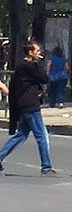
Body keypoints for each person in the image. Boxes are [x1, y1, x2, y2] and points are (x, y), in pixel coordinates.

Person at [0, 40, 56, 176]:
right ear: (30, 53)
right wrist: (38, 65)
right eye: (37, 51)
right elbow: (44, 78)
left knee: (21, 135)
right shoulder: (27, 67)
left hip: (25, 104)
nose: (39, 54)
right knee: (42, 136)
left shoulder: (23, 67)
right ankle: (46, 167)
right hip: (30, 105)